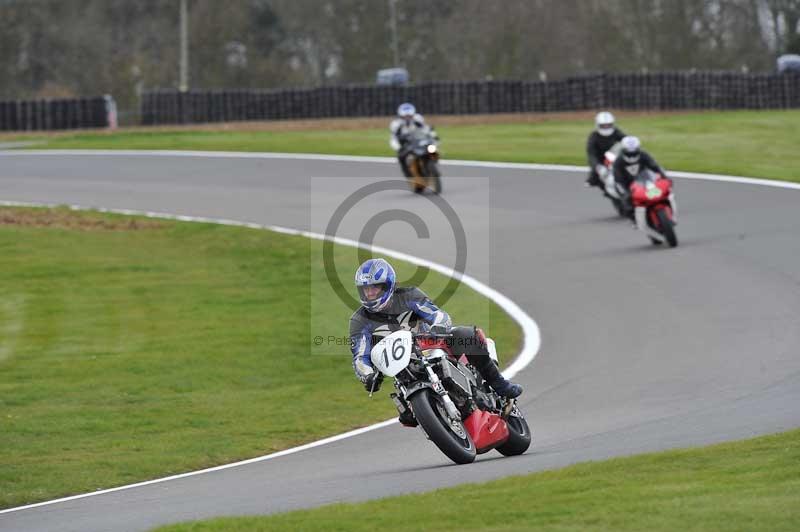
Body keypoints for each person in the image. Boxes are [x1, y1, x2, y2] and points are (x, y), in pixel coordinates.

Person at [349, 258, 522, 425]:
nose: (370, 293)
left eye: (375, 288)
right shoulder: (359, 320)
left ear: (388, 285)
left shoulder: (408, 295)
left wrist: (439, 326)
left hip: (430, 347)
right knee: (407, 416)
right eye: (365, 289)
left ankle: (500, 385)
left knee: (466, 335)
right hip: (403, 368)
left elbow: (436, 314)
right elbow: (360, 355)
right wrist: (367, 374)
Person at [389, 103, 437, 178]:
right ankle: (408, 174)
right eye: (405, 116)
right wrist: (398, 148)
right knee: (401, 156)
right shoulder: (396, 124)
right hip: (405, 143)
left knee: (432, 148)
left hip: (419, 140)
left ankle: (432, 164)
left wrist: (434, 136)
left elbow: (426, 129)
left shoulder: (418, 119)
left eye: (409, 116)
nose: (408, 118)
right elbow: (393, 138)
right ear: (401, 116)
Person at [586, 111, 626, 188]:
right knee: (594, 179)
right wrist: (598, 166)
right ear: (598, 125)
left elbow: (625, 139)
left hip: (613, 155)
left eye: (608, 125)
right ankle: (593, 177)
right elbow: (591, 154)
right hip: (600, 159)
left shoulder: (616, 132)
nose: (606, 127)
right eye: (603, 126)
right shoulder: (593, 137)